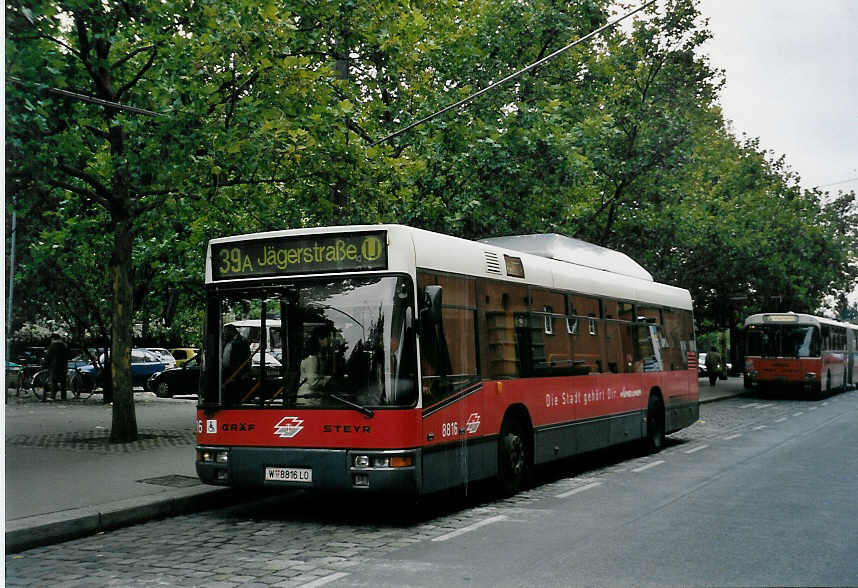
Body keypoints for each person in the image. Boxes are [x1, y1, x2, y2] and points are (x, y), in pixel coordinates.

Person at [298, 326, 331, 402]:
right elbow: (312, 383)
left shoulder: (317, 356)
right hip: (308, 399)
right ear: (320, 339)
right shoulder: (311, 359)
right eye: (327, 338)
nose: (329, 341)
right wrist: (328, 379)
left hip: (313, 397)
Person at [44, 333, 69, 401]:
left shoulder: (53, 345)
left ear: (53, 338)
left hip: (54, 365)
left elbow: (48, 356)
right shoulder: (64, 345)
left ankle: (53, 396)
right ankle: (63, 397)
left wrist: (46, 363)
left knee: (54, 381)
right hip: (63, 365)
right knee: (63, 382)